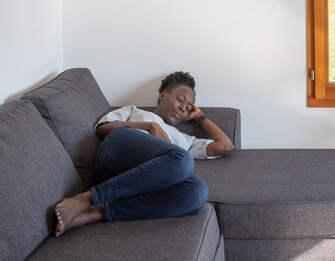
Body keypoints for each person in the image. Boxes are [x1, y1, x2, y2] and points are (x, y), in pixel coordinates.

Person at [54, 71, 234, 236]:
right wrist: (150, 126)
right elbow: (103, 128)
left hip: (143, 182)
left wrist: (199, 116)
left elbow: (225, 146)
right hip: (117, 153)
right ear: (163, 95)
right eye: (180, 99)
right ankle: (86, 199)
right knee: (182, 159)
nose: (183, 107)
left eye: (188, 107)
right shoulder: (134, 111)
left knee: (198, 191)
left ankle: (94, 214)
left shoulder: (184, 139)